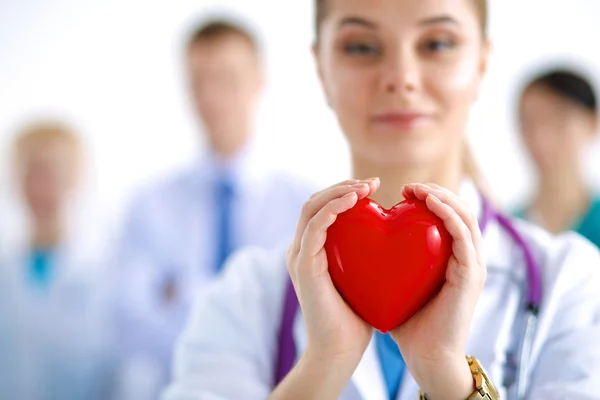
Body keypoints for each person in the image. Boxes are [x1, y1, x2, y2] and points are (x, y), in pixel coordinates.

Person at [162, 0, 600, 399]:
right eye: (362, 48)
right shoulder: (246, 296)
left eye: (438, 43)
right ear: (321, 69)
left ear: (482, 64)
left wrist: (446, 375)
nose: (401, 77)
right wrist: (323, 363)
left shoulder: (572, 285)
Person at [112, 17, 315, 399]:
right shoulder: (148, 205)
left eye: (227, 79)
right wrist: (252, 308)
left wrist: (181, 291)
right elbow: (129, 325)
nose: (212, 97)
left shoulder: (304, 204)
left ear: (258, 81)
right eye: (198, 81)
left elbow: (308, 327)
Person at [0, 121, 113, 400]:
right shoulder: (6, 272)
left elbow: (123, 372)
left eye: (53, 171)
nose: (42, 184)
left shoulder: (104, 272)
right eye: (32, 170)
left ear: (76, 178)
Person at [513, 68, 600, 247]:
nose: (542, 138)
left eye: (559, 121)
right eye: (529, 122)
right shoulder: (509, 230)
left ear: (592, 123)